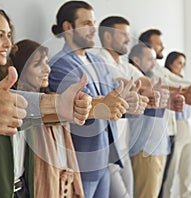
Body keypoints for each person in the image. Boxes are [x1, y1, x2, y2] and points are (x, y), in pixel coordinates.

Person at [0, 2, 91, 198]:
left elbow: (22, 107)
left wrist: (69, 105)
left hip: (20, 189)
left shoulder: (2, 83)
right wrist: (58, 103)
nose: (7, 44)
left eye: (8, 35)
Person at [48, 1, 143, 197]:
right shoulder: (59, 65)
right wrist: (113, 102)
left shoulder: (97, 61)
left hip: (105, 157)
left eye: (94, 22)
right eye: (87, 23)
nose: (94, 29)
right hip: (81, 162)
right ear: (68, 27)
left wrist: (130, 101)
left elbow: (113, 98)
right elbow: (81, 107)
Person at [8, 39, 84, 197]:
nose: (47, 69)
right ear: (20, 70)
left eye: (46, 62)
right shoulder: (22, 108)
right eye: (37, 64)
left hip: (64, 184)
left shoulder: (52, 99)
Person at [96, 16, 152, 198]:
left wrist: (139, 89)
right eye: (123, 35)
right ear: (107, 37)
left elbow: (147, 85)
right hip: (107, 150)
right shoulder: (98, 61)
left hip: (124, 146)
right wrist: (137, 89)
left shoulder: (125, 65)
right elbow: (124, 84)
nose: (128, 39)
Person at [128, 43, 184, 198]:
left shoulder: (152, 79)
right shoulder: (133, 81)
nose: (154, 64)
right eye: (149, 59)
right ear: (136, 60)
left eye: (154, 59)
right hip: (145, 150)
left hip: (159, 148)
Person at [161, 51, 191, 198]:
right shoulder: (166, 79)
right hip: (176, 128)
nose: (182, 66)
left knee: (187, 172)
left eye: (183, 63)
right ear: (170, 63)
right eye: (179, 62)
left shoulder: (183, 82)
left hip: (189, 126)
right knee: (171, 172)